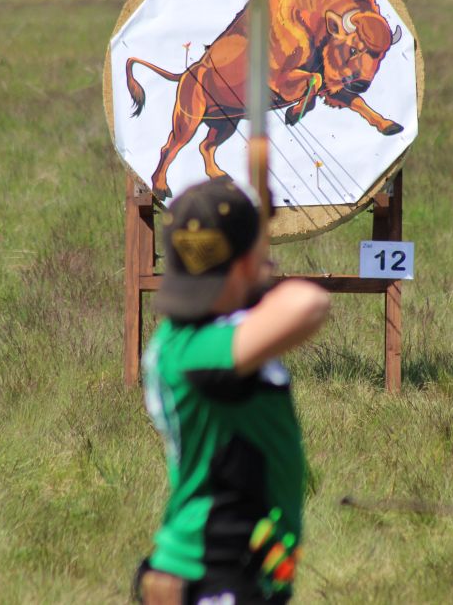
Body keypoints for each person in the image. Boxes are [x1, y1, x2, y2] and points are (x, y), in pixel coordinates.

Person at [134, 177, 331, 605]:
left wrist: (250, 263)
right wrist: (258, 266)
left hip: (231, 569)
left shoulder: (189, 338)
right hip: (214, 571)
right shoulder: (201, 353)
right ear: (242, 264)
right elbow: (309, 304)